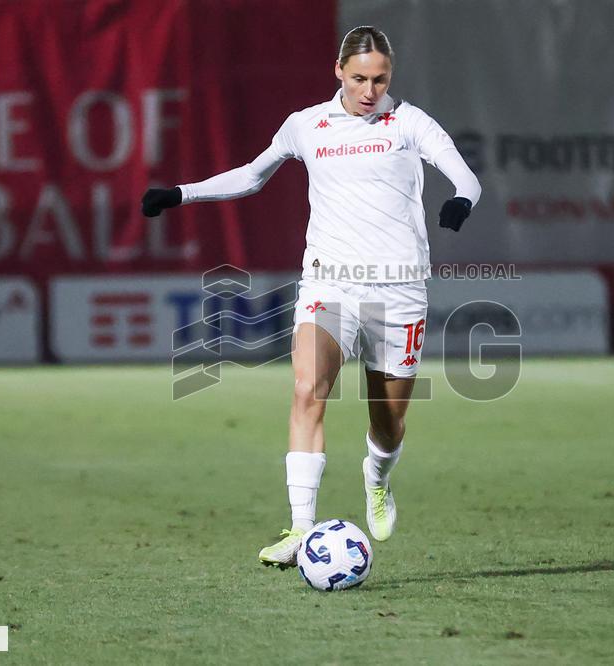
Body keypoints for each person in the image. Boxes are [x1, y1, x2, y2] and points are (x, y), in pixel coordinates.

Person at [141, 26, 481, 567]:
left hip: (399, 290)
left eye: (381, 79)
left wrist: (461, 201)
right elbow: (252, 176)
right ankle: (302, 528)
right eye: (360, 78)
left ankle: (377, 478)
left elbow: (466, 176)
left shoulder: (409, 121)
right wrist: (182, 193)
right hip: (330, 283)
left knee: (388, 420)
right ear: (339, 72)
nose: (371, 91)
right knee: (307, 389)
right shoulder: (307, 126)